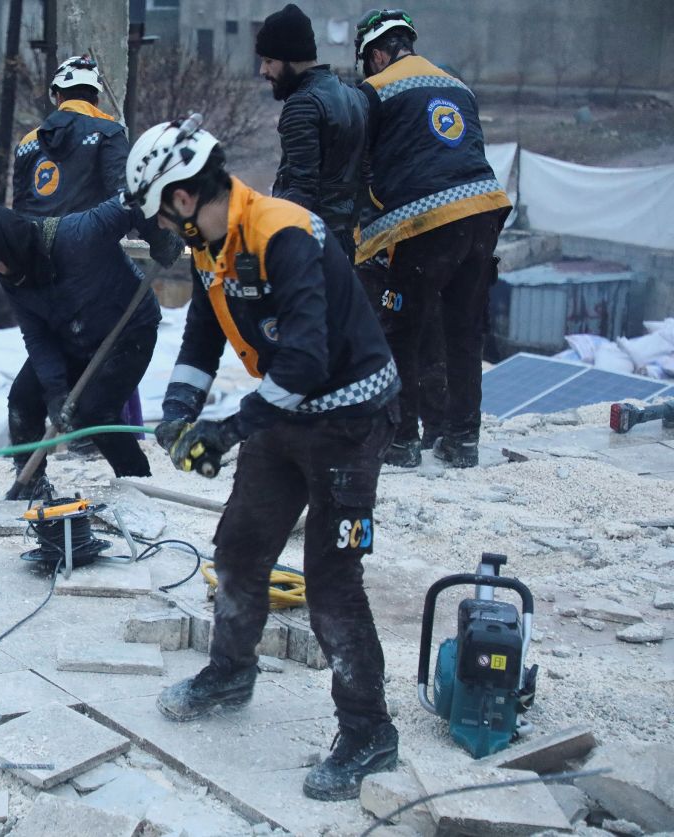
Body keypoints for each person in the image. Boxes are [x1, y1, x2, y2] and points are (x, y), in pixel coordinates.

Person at [125, 117, 401, 801]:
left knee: (332, 584)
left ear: (182, 198)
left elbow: (307, 359)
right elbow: (199, 340)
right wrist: (179, 413)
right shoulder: (211, 250)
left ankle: (368, 731)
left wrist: (228, 429)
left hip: (350, 419)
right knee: (240, 549)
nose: (161, 225)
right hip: (286, 413)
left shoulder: (281, 232)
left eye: (160, 210)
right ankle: (230, 670)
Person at [354, 9, 511, 468]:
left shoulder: (376, 91)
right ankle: (462, 442)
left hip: (428, 224)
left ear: (378, 54)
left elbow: (362, 167)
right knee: (464, 331)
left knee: (402, 326)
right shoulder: (458, 85)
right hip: (483, 214)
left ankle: (401, 443)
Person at [0, 196, 161, 493]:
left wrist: (157, 236)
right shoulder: (13, 279)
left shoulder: (77, 234)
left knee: (96, 410)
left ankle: (138, 481)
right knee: (23, 399)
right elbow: (37, 337)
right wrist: (56, 392)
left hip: (128, 329)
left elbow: (133, 199)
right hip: (70, 337)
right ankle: (31, 483)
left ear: (13, 248)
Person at [12, 55, 181, 263]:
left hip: (35, 266)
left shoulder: (27, 143)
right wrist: (163, 243)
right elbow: (128, 199)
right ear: (96, 100)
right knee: (142, 296)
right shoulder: (106, 134)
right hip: (88, 262)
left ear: (58, 97)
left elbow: (19, 211)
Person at [256, 3, 367, 260]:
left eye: (269, 61)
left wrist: (270, 244)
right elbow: (364, 177)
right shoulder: (354, 97)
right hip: (345, 242)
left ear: (291, 57)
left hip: (310, 245)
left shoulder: (302, 104)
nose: (263, 70)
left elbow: (300, 188)